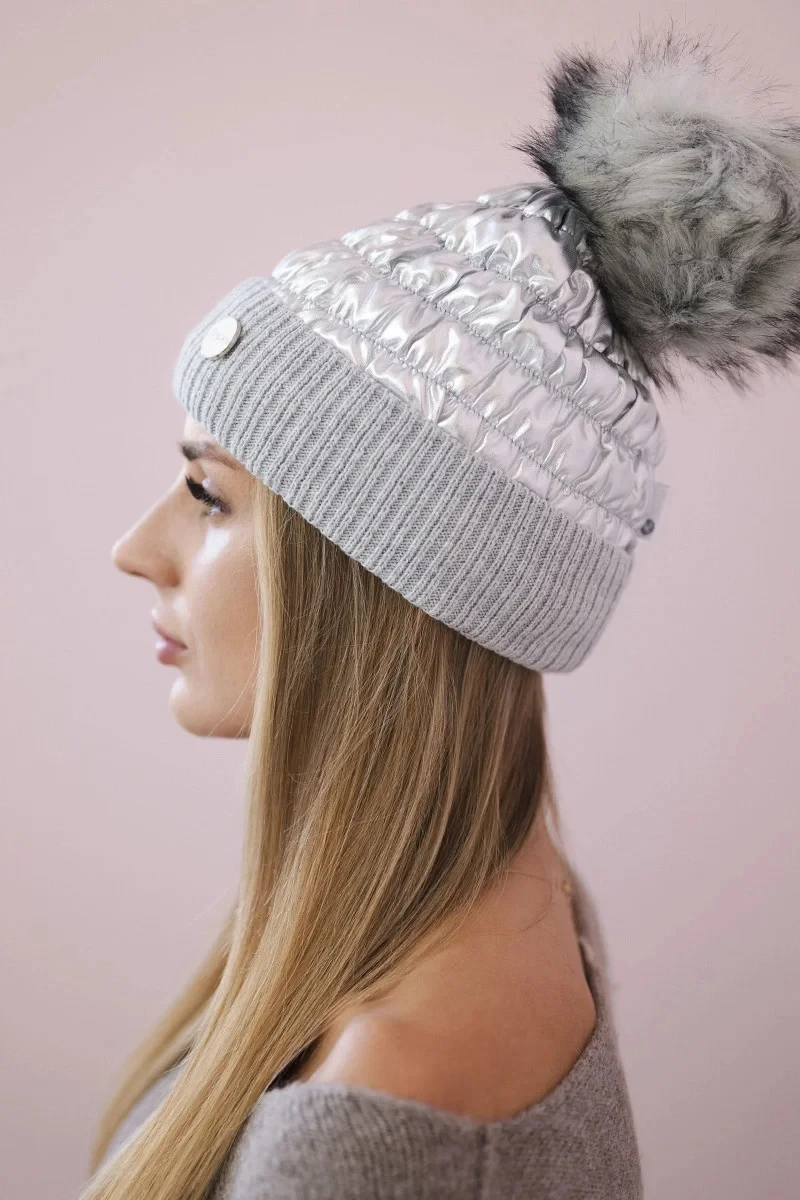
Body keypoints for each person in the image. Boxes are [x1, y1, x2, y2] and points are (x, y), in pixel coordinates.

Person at [82, 22, 800, 1200]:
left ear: (392, 582)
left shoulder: (375, 1125)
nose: (132, 550)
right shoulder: (512, 902)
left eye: (209, 497)